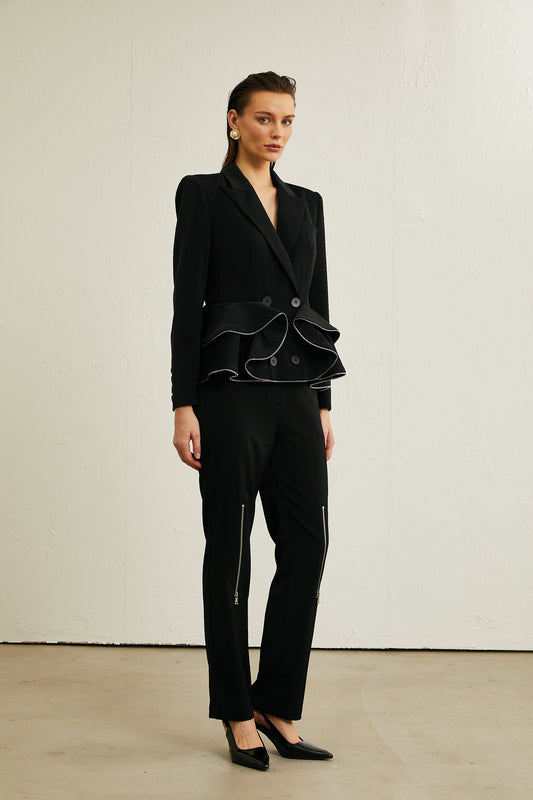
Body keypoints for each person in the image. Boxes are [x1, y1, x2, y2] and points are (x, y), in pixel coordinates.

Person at [171, 71, 346, 771]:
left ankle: (277, 703)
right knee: (232, 551)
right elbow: (188, 304)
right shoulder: (203, 194)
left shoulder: (307, 204)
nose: (277, 131)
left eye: (288, 120)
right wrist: (182, 403)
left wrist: (323, 401)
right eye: (265, 118)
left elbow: (317, 304)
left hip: (297, 390)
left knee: (307, 545)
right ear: (233, 120)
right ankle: (236, 711)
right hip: (230, 391)